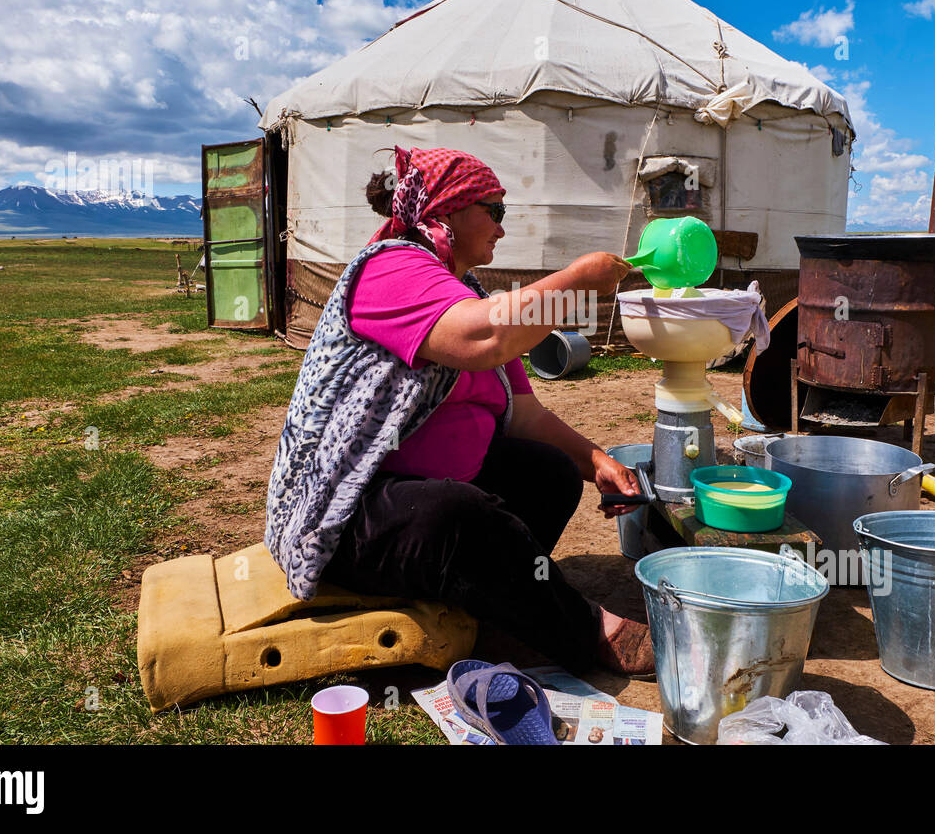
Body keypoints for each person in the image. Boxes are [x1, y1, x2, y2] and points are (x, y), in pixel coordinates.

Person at [265, 146, 655, 675]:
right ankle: (585, 632)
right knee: (459, 515)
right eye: (493, 210)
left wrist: (597, 462)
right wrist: (580, 280)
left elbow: (524, 415)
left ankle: (498, 609)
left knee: (551, 473)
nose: (501, 227)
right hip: (347, 514)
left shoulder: (463, 289)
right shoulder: (388, 271)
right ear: (446, 211)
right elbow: (485, 337)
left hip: (422, 501)